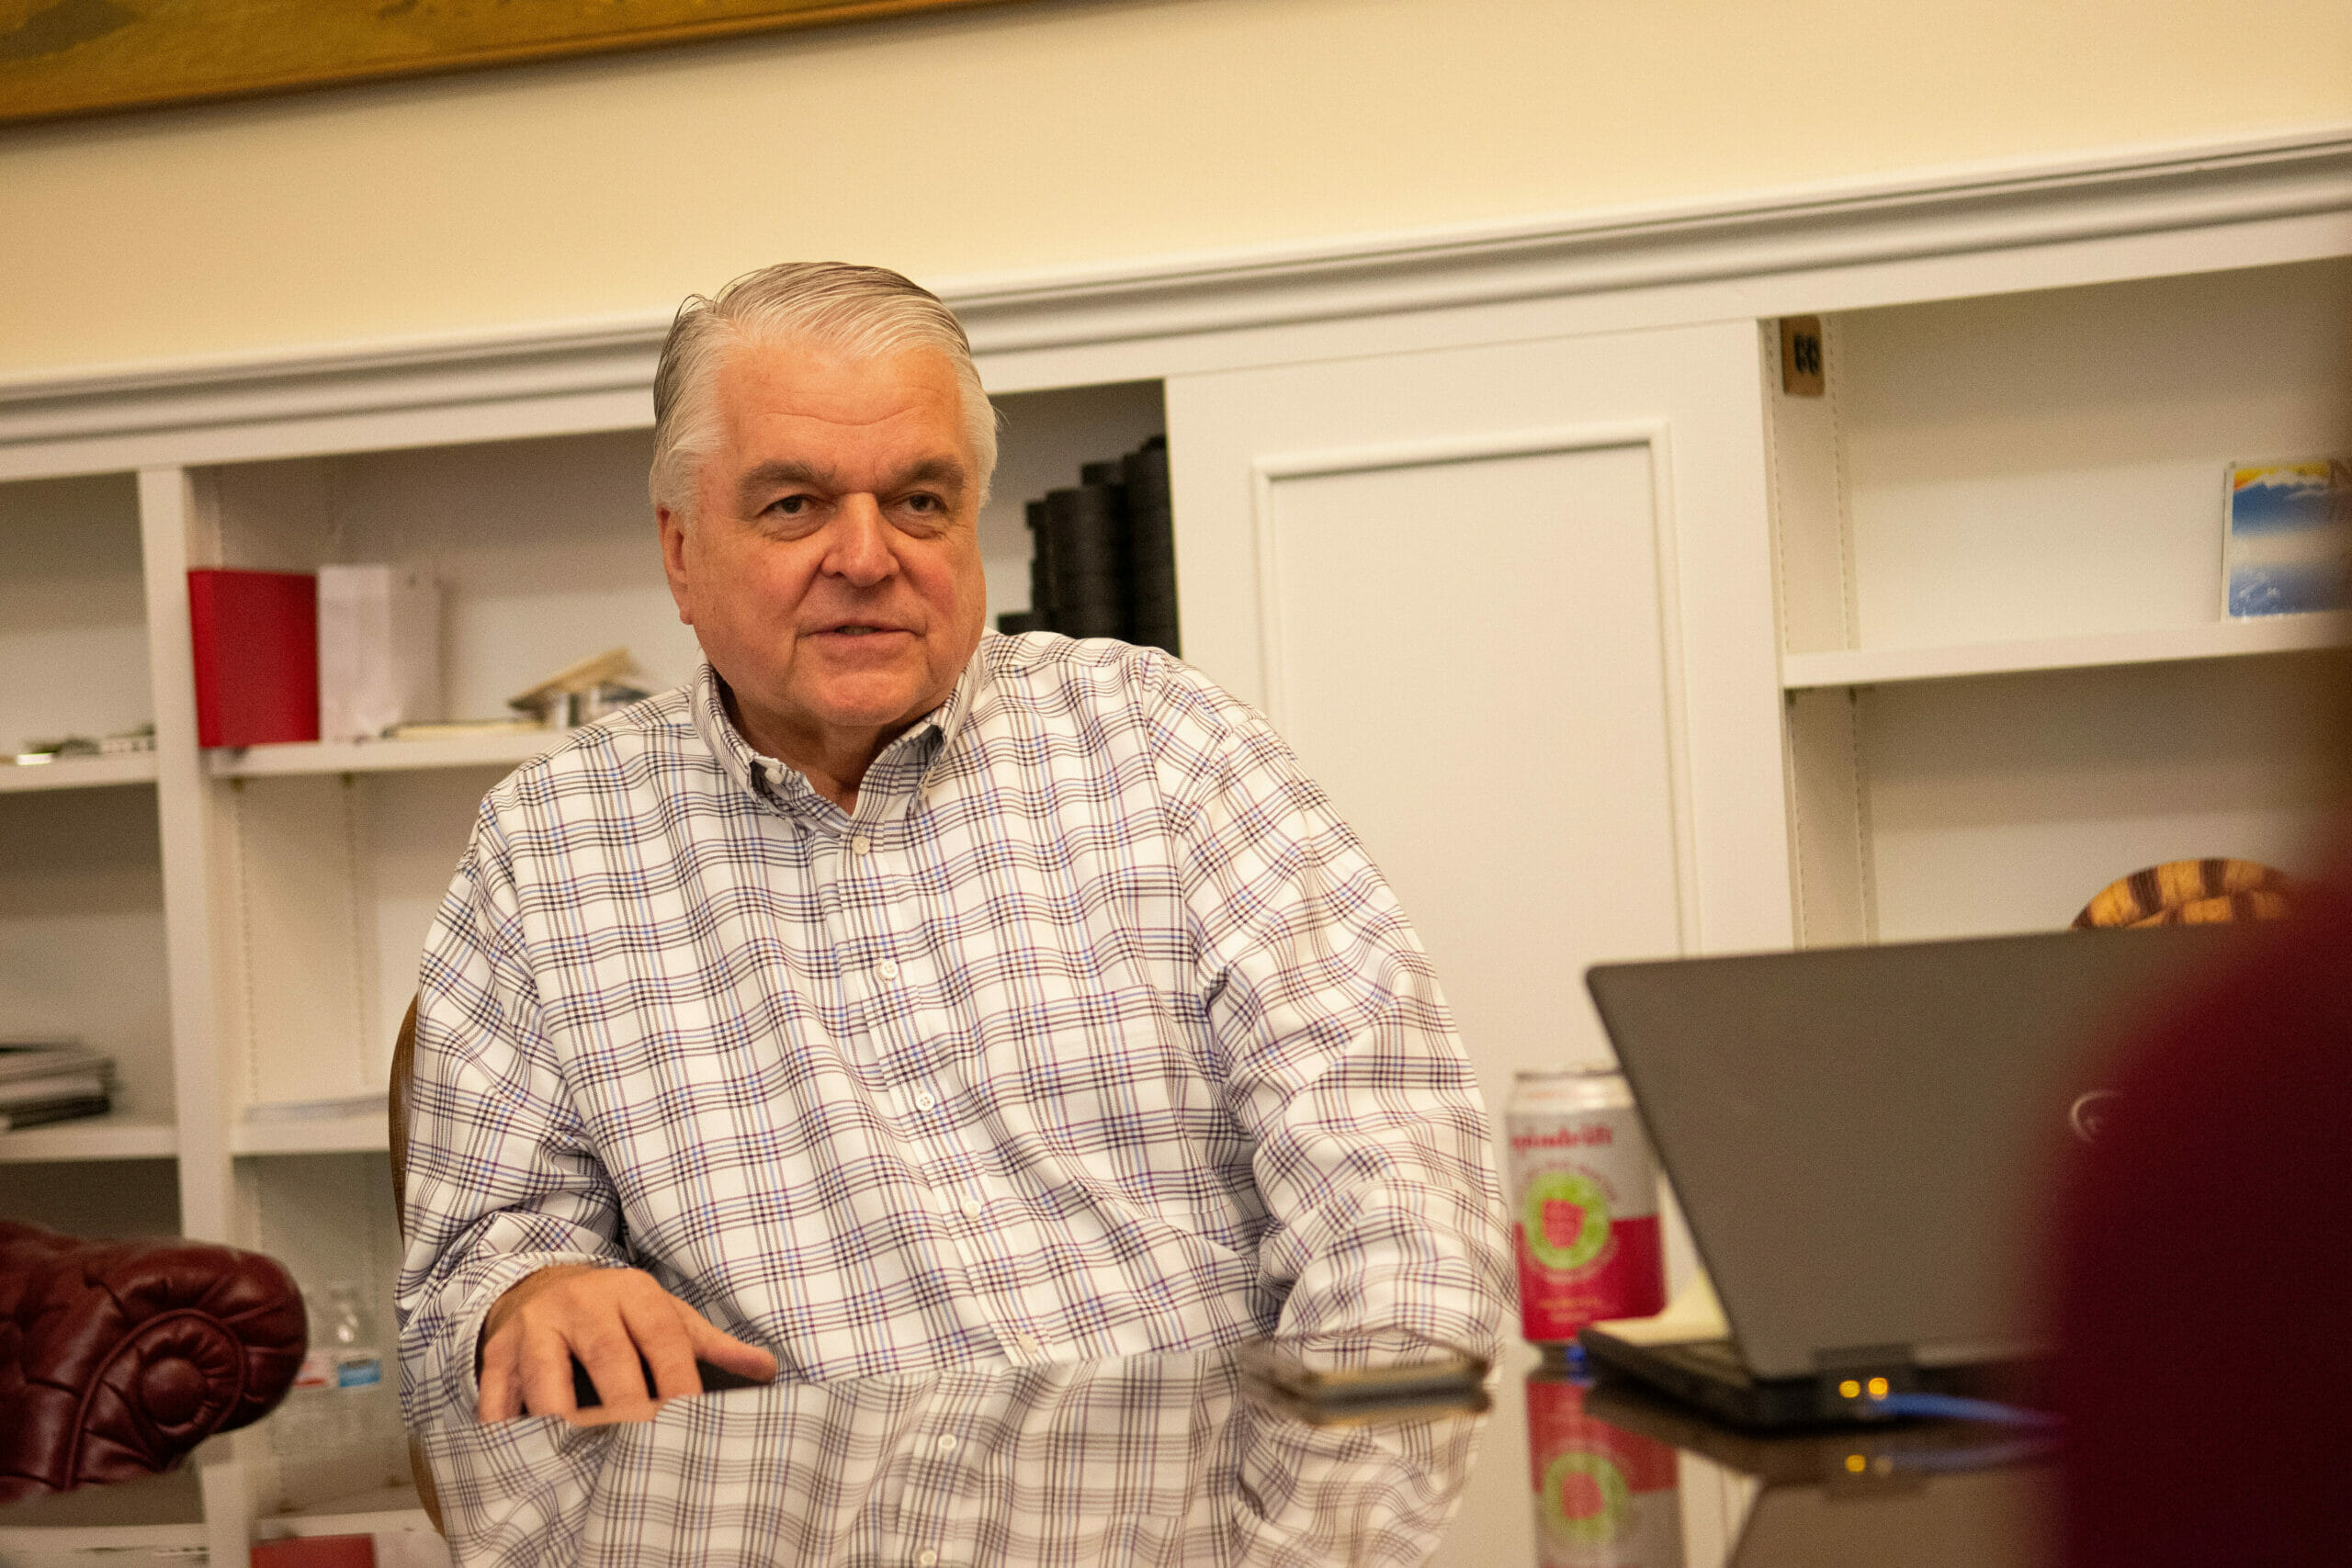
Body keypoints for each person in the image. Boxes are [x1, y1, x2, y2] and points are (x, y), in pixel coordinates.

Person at [394, 262, 1511, 1427]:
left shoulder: (1169, 747)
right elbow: (466, 1275)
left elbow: (1397, 1186)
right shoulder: (550, 843)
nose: (869, 557)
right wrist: (537, 1288)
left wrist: (1321, 1511)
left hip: (1202, 1516)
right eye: (794, 505)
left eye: (919, 501)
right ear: (682, 552)